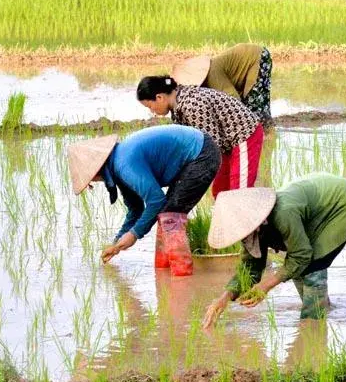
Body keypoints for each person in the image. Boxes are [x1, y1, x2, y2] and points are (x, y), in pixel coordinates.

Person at [201, 174, 346, 327]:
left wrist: (266, 286)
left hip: (344, 204)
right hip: (316, 204)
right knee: (296, 267)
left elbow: (302, 255)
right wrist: (225, 297)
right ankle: (320, 308)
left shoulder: (283, 212)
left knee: (311, 266)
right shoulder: (251, 231)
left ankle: (314, 325)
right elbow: (250, 268)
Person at [68, 124, 220, 276]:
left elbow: (156, 201)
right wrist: (116, 244)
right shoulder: (117, 164)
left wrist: (134, 234)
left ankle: (181, 277)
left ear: (95, 172)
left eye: (90, 180)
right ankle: (164, 273)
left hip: (202, 154)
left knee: (170, 217)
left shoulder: (124, 164)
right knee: (166, 216)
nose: (93, 182)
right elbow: (135, 209)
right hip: (192, 155)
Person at [136, 75, 264, 195]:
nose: (152, 112)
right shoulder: (177, 106)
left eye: (150, 106)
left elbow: (212, 145)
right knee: (220, 190)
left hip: (243, 135)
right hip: (224, 140)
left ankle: (251, 218)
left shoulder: (192, 105)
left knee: (239, 190)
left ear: (159, 97)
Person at [173, 43, 273, 128]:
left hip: (258, 57)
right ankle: (266, 130)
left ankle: (264, 133)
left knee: (254, 105)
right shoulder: (208, 77)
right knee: (252, 107)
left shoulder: (212, 74)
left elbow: (233, 99)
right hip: (254, 55)